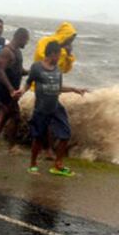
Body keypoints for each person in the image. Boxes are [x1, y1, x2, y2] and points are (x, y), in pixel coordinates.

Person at [23, 41, 88, 177]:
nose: (59, 57)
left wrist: (74, 89)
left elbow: (58, 87)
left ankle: (58, 165)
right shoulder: (37, 67)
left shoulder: (57, 69)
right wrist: (21, 91)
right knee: (38, 137)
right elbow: (29, 83)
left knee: (65, 133)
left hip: (55, 106)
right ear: (52, 54)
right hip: (41, 107)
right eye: (58, 54)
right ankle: (33, 165)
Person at [31, 22, 78, 158]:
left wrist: (68, 55)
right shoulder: (47, 42)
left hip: (53, 90)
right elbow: (42, 57)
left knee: (50, 122)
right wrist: (61, 52)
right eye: (70, 38)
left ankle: (48, 149)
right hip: (40, 89)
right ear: (64, 35)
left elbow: (66, 70)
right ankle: (46, 150)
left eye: (72, 40)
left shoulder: (62, 51)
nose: (70, 42)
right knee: (45, 122)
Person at [0, 27, 29, 153]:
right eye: (26, 40)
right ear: (20, 37)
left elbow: (18, 71)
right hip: (3, 91)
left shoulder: (17, 52)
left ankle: (8, 145)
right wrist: (11, 89)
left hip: (12, 91)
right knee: (5, 115)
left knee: (13, 117)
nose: (26, 43)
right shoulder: (6, 51)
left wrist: (32, 73)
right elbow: (0, 71)